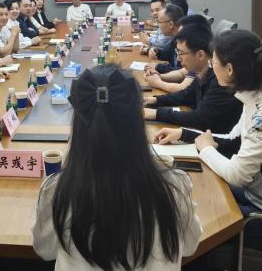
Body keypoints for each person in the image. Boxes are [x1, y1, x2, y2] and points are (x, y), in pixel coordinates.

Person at [154, 30, 262, 255]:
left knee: (194, 226)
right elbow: (234, 140)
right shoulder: (261, 92)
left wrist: (206, 149)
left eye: (213, 63)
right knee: (195, 203)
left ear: (230, 69)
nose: (211, 67)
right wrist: (184, 134)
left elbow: (237, 175)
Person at [32, 64, 201, 270]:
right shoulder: (174, 187)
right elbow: (190, 246)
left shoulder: (57, 190)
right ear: (138, 119)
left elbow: (44, 250)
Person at [143, 25, 243, 134]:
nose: (178, 58)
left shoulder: (221, 79)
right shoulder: (204, 71)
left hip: (215, 138)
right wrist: (153, 100)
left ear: (200, 55)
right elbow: (187, 95)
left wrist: (155, 114)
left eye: (181, 53)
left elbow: (200, 118)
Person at [144, 15, 213, 94]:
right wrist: (159, 76)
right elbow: (181, 73)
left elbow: (183, 89)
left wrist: (158, 82)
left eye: (182, 33)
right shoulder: (191, 50)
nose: (178, 35)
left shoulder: (199, 57)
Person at [148, 4, 185, 73]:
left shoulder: (186, 41)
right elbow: (167, 54)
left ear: (171, 24)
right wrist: (156, 51)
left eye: (159, 22)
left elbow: (181, 71)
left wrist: (157, 67)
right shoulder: (175, 38)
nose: (158, 26)